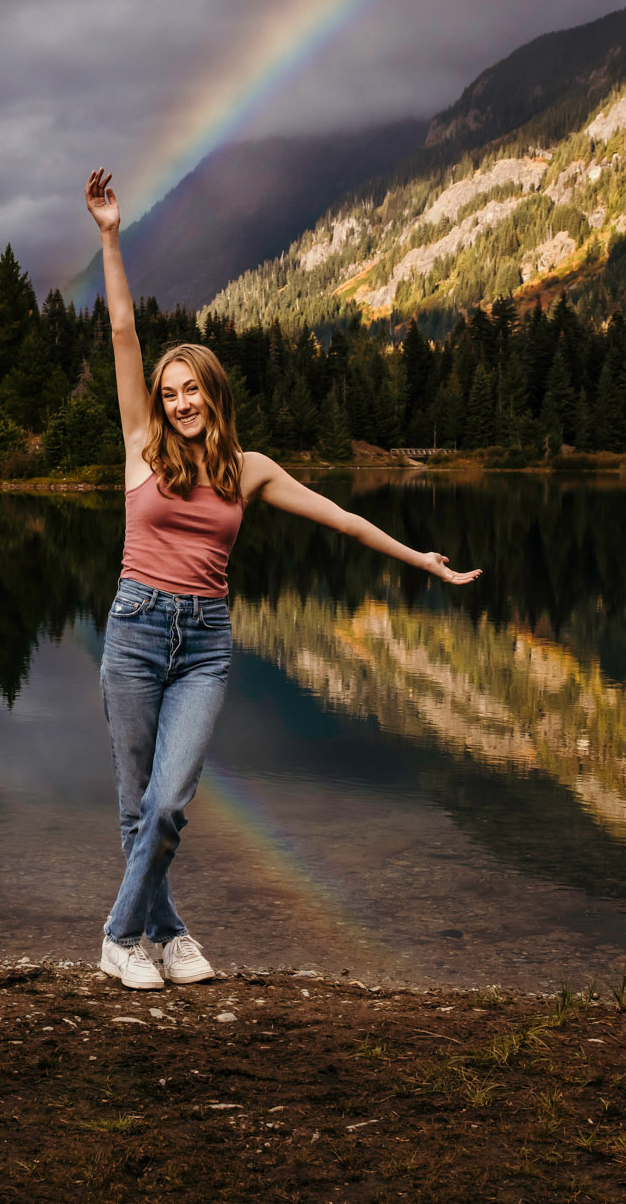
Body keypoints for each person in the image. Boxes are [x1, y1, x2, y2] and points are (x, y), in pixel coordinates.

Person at [85, 167, 481, 991]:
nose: (181, 401)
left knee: (169, 804)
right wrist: (111, 237)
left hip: (204, 645)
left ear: (213, 394)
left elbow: (341, 517)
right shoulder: (138, 448)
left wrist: (419, 560)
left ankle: (122, 936)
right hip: (134, 631)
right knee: (137, 807)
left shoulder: (249, 468)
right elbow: (124, 330)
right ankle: (169, 935)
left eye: (193, 389)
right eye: (170, 392)